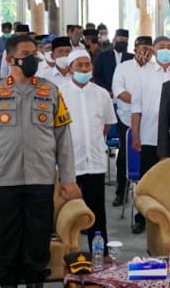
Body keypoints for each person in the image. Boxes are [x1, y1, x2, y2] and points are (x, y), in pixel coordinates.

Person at [0, 33, 79, 288]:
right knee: (7, 242)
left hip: (41, 179)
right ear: (9, 58)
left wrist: (67, 178)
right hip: (3, 181)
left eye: (35, 53)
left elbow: (63, 139)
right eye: (27, 53)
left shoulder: (50, 91)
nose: (33, 58)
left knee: (37, 241)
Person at [60, 48, 115, 243]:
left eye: (87, 65)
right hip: (69, 162)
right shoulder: (59, 93)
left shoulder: (101, 94)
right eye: (79, 65)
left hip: (95, 160)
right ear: (70, 69)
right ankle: (68, 251)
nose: (84, 69)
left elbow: (106, 124)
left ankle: (101, 251)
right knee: (66, 210)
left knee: (96, 208)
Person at [129, 36, 170, 206]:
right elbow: (136, 108)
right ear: (154, 51)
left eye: (169, 46)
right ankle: (143, 216)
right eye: (161, 46)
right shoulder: (142, 74)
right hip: (149, 135)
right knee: (148, 178)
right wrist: (136, 135)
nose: (165, 50)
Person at [115, 35, 154, 232]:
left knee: (152, 170)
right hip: (126, 118)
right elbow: (118, 90)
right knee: (124, 157)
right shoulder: (123, 67)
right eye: (141, 47)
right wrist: (139, 101)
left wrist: (145, 104)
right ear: (135, 48)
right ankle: (121, 191)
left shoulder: (156, 70)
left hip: (152, 124)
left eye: (148, 47)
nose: (144, 51)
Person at [95, 28, 132, 207]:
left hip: (128, 106)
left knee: (126, 152)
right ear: (114, 39)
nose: (122, 41)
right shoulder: (103, 56)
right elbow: (98, 76)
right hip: (107, 99)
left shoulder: (132, 58)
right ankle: (119, 193)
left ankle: (126, 191)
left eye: (125, 39)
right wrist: (108, 91)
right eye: (120, 38)